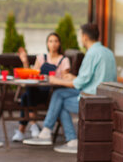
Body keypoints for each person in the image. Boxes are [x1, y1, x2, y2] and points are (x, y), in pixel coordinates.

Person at [23, 23, 116, 154]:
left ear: (84, 37)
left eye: (80, 35)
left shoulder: (91, 54)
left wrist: (56, 80)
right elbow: (91, 78)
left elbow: (78, 84)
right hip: (106, 97)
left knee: (60, 101)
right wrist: (73, 77)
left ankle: (63, 137)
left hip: (92, 99)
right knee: (59, 94)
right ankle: (49, 133)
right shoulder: (108, 52)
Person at [12, 32, 71, 142]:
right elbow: (32, 74)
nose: (53, 44)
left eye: (56, 41)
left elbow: (65, 79)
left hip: (52, 94)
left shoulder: (64, 60)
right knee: (28, 92)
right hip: (37, 92)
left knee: (25, 97)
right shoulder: (41, 57)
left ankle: (23, 130)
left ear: (59, 44)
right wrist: (25, 61)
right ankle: (32, 125)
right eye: (50, 41)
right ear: (47, 44)